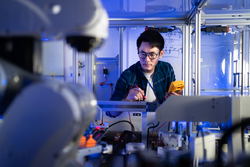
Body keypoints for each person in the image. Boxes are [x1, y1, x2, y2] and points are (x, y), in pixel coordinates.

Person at [106, 29, 178, 117]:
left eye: (152, 54)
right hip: (136, 125)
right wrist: (126, 101)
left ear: (161, 53)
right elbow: (110, 112)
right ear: (137, 51)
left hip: (162, 122)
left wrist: (175, 99)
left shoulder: (167, 69)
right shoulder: (127, 75)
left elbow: (173, 100)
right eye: (142, 54)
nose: (147, 59)